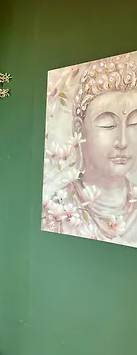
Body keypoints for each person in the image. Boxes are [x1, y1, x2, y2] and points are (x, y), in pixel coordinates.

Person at [42, 52, 137, 246]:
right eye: (108, 125)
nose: (122, 141)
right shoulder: (57, 210)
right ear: (79, 128)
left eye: (134, 124)